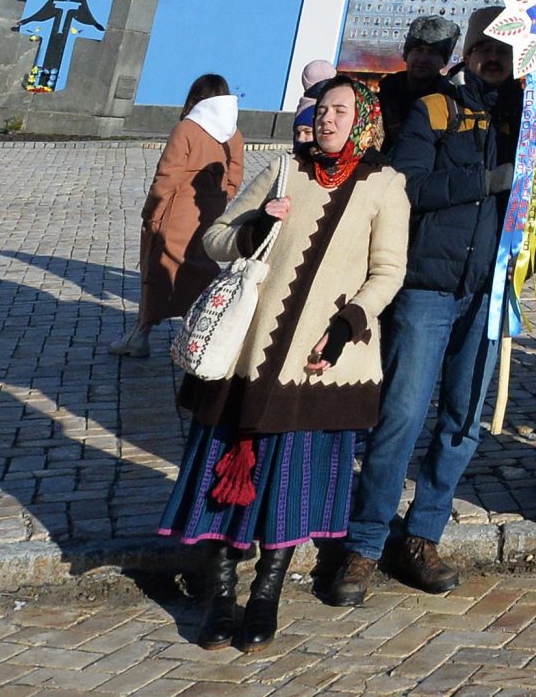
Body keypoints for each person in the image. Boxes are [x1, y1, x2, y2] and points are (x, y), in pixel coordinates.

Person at [161, 75, 409, 651]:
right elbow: (215, 239)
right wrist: (259, 224)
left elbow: (388, 271)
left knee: (291, 483)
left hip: (321, 359)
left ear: (364, 121)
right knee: (228, 471)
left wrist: (349, 324)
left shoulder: (386, 186)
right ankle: (220, 594)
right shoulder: (282, 170)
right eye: (322, 109)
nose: (327, 119)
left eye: (341, 111)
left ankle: (266, 594)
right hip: (250, 358)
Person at [329, 10, 520, 605]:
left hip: (490, 290)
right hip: (428, 287)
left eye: (503, 49)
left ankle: (423, 534)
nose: (493, 57)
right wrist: (484, 182)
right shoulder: (436, 107)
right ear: (468, 50)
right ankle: (363, 544)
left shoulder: (527, 117)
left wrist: (522, 260)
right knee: (403, 415)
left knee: (462, 421)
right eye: (484, 46)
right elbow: (405, 188)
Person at [112, 73, 245, 357]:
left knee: (158, 269)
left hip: (175, 211)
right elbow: (235, 178)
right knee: (201, 269)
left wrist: (151, 212)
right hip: (210, 210)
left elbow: (167, 177)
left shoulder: (187, 129)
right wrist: (219, 201)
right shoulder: (234, 133)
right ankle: (204, 328)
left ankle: (140, 334)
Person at [377, 15, 461, 144]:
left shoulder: (452, 104)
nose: (423, 59)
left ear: (443, 62)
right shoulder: (382, 97)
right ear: (406, 55)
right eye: (418, 50)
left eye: (432, 52)